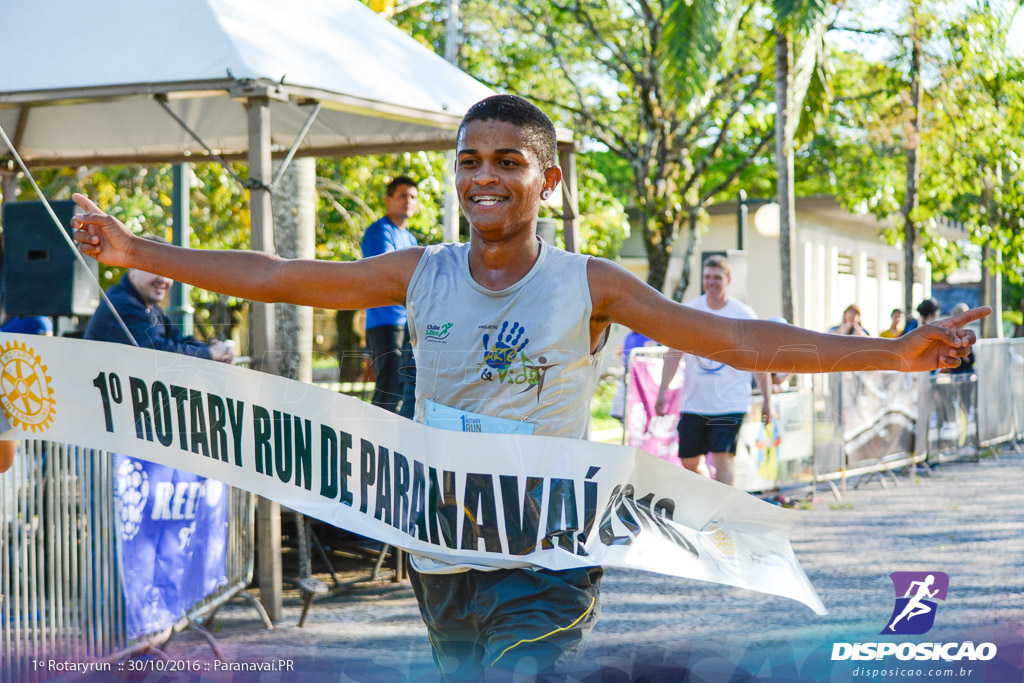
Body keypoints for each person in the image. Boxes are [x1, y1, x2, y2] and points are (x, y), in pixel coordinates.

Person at [70, 94, 986, 679]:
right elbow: (275, 276)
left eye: (507, 161)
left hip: (546, 551)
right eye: (469, 160)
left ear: (546, 179)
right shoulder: (418, 272)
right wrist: (138, 251)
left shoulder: (591, 285)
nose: (484, 175)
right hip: (442, 552)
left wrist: (893, 352)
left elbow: (737, 337)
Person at [652, 256, 772, 487]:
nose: (712, 282)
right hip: (694, 402)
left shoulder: (743, 314)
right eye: (707, 277)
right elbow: (673, 354)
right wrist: (662, 391)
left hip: (730, 401)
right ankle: (711, 496)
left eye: (717, 277)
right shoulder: (689, 311)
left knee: (722, 458)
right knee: (689, 461)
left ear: (728, 280)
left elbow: (759, 361)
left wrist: (768, 401)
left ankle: (726, 513)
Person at [84, 238, 235, 361]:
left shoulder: (149, 307)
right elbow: (158, 351)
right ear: (131, 267)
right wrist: (210, 354)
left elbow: (177, 340)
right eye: (155, 269)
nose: (163, 279)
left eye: (168, 271)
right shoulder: (122, 303)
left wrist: (213, 349)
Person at [361, 177, 420, 414]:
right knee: (388, 391)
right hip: (384, 323)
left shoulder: (411, 239)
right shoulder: (378, 232)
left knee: (406, 387)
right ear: (388, 200)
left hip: (407, 323)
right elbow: (387, 275)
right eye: (402, 195)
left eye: (413, 197)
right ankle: (374, 446)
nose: (408, 201)